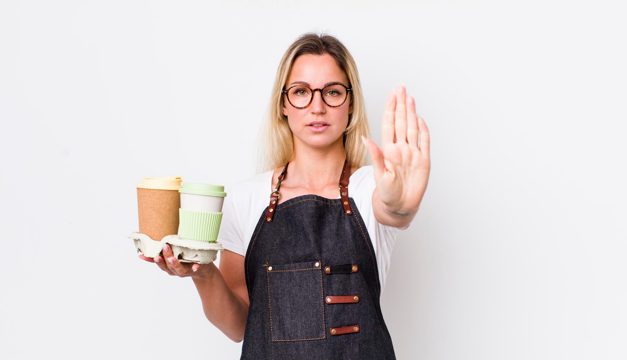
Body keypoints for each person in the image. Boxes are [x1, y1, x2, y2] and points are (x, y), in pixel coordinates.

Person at [139, 33, 430, 359]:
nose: (317, 107)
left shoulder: (370, 188)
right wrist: (204, 273)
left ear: (350, 104)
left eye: (332, 92)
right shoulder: (246, 199)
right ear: (283, 104)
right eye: (301, 92)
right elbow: (237, 326)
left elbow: (393, 209)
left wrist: (400, 202)